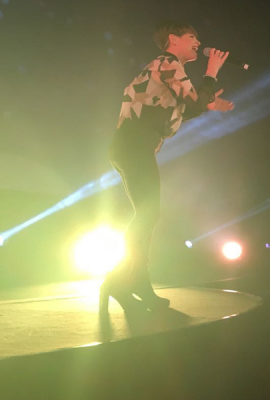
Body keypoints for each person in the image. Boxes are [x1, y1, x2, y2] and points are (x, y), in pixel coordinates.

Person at [101, 21, 235, 313]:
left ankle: (129, 282)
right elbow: (193, 103)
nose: (198, 42)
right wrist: (211, 72)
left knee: (147, 216)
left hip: (132, 146)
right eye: (192, 37)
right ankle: (121, 280)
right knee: (148, 215)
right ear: (173, 40)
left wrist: (207, 104)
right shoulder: (167, 63)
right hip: (134, 146)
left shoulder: (168, 70)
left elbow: (176, 111)